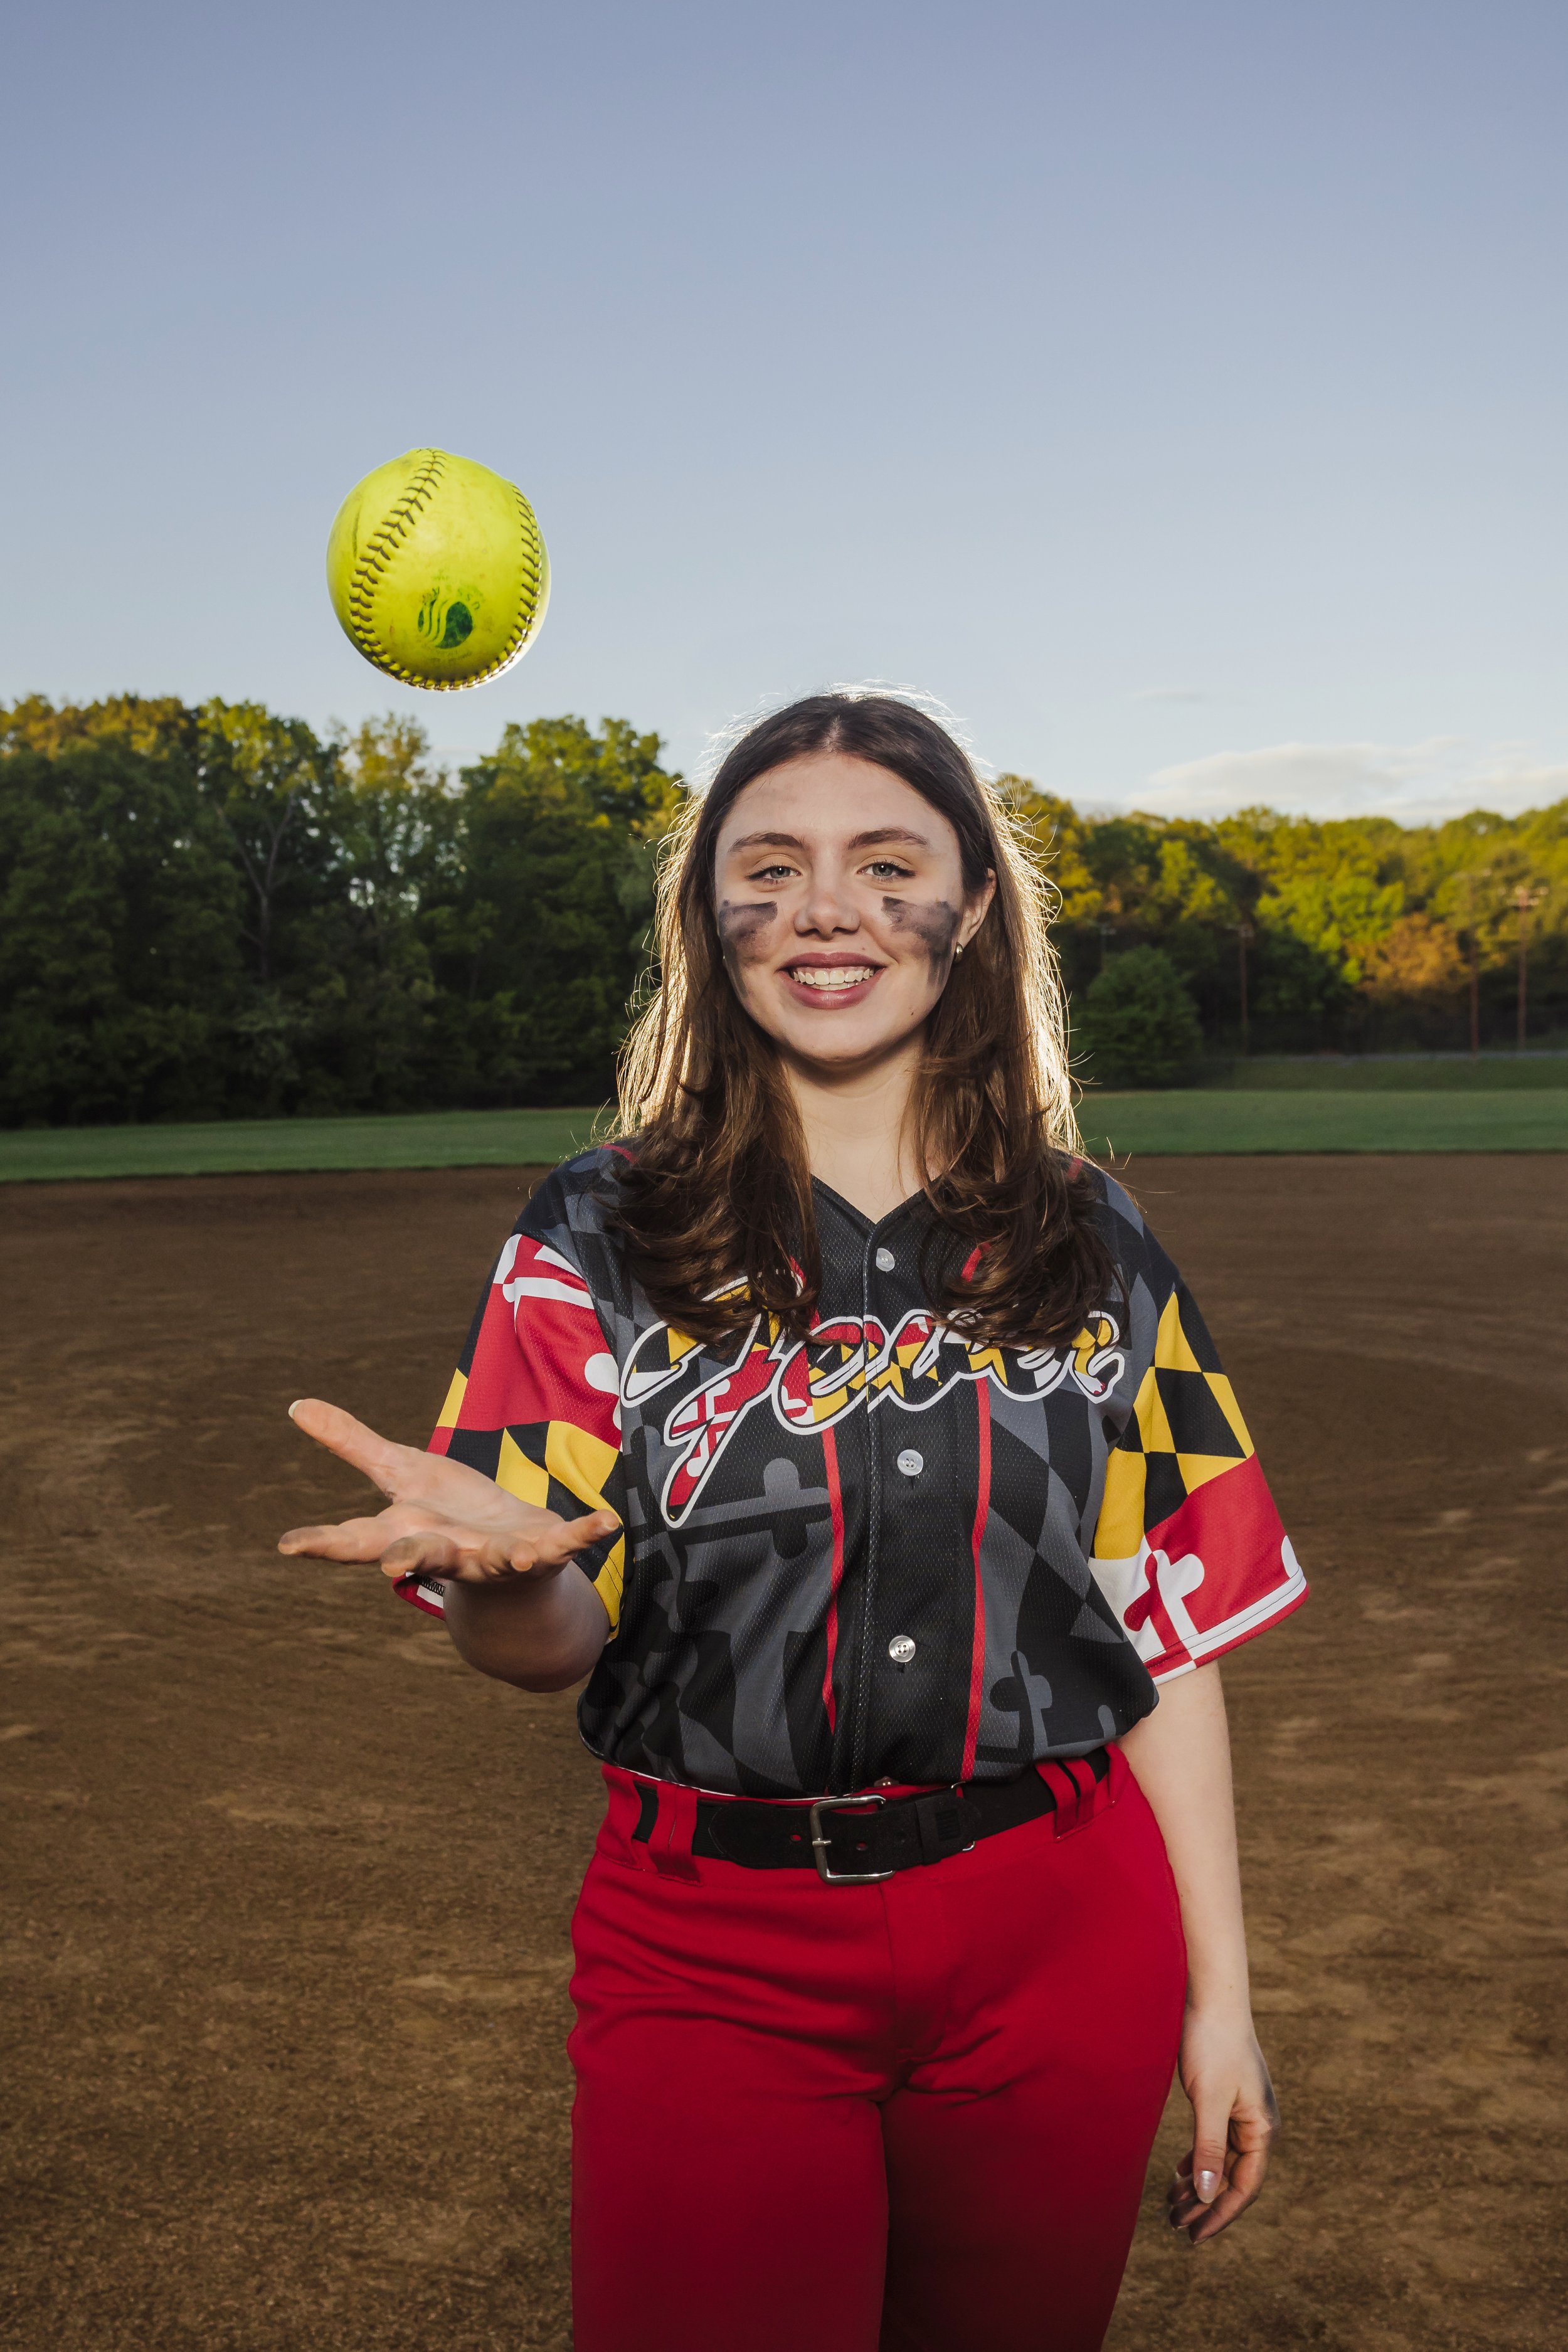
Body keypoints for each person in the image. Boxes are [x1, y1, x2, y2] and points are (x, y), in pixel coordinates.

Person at [280, 692, 1306, 2352]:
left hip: (1058, 1940)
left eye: (884, 863)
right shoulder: (597, 1231)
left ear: (971, 906)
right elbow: (552, 1643)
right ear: (713, 919)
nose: (824, 907)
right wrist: (496, 1582)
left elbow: (1160, 1634)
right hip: (714, 1953)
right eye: (769, 868)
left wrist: (1222, 2004)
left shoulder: (1090, 1236)